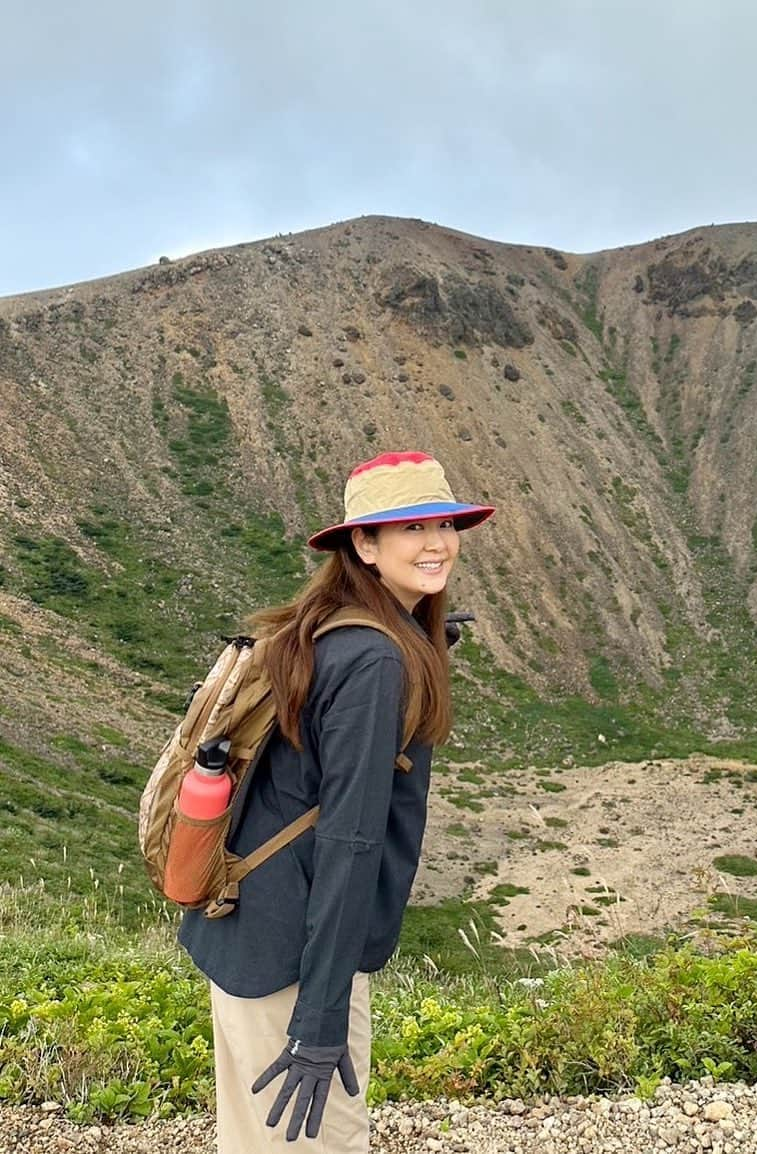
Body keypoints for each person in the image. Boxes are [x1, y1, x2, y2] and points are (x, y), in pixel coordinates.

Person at [178, 450, 494, 1152]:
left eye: (444, 524)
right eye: (410, 528)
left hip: (246, 923)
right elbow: (350, 841)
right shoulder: (375, 659)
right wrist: (320, 1024)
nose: (437, 543)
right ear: (364, 543)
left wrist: (425, 643)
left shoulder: (334, 628)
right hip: (294, 961)